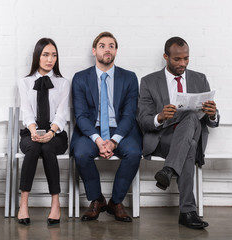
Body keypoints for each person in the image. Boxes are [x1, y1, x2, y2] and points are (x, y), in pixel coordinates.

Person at [137, 37, 219, 229]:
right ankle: (187, 212)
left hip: (191, 132)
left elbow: (210, 122)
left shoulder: (200, 79)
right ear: (166, 57)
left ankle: (168, 170)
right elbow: (143, 119)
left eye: (186, 59)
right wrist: (160, 116)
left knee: (191, 117)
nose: (182, 63)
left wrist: (213, 114)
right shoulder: (149, 81)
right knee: (189, 146)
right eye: (177, 59)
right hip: (163, 139)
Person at [71, 32, 142, 222]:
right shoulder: (80, 78)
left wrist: (113, 140)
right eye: (102, 46)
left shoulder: (129, 78)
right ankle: (97, 199)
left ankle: (116, 202)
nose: (107, 49)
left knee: (134, 152)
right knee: (80, 153)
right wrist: (99, 139)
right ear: (94, 51)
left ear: (116, 51)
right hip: (91, 131)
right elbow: (81, 116)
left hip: (120, 130)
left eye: (111, 45)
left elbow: (129, 115)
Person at [17, 38, 70, 226]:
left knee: (47, 148)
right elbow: (26, 111)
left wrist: (51, 132)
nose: (50, 59)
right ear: (37, 56)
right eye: (45, 54)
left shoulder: (63, 83)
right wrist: (33, 131)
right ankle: (23, 204)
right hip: (30, 132)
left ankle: (55, 203)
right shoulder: (24, 82)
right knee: (33, 148)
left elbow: (62, 114)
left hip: (56, 134)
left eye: (54, 55)